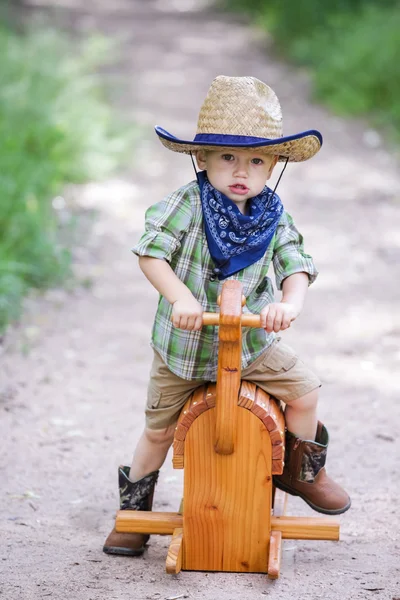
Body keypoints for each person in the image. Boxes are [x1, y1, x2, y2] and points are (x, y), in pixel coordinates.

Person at [103, 75, 351, 557]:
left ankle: (301, 473)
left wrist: (289, 303)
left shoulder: (273, 214)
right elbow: (151, 253)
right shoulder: (187, 203)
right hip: (184, 348)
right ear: (203, 158)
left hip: (250, 343)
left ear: (274, 164)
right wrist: (180, 298)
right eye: (228, 158)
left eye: (256, 160)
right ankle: (135, 513)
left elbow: (296, 262)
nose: (242, 171)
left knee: (305, 391)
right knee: (159, 429)